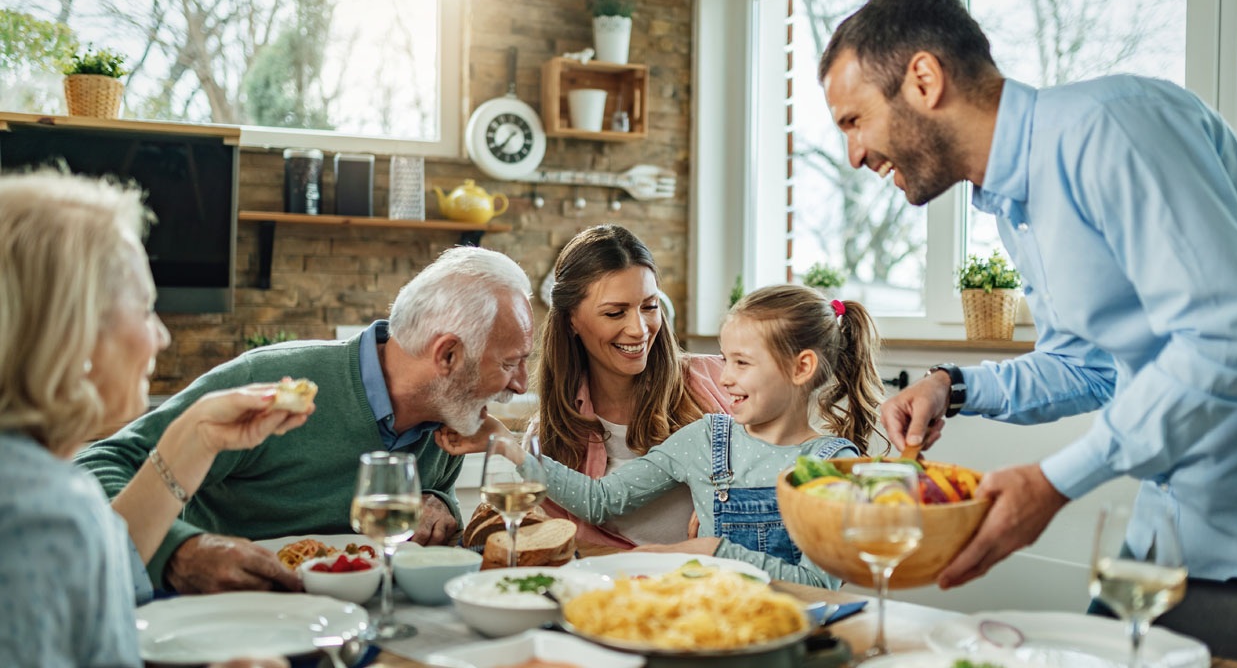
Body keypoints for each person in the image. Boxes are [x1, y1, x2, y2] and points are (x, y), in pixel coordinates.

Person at [819, 0, 1237, 591]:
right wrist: (951, 385)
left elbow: (1235, 341)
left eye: (855, 121)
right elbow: (1090, 368)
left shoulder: (1114, 127)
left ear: (924, 80)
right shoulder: (1016, 203)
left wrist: (1055, 481)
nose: (853, 155)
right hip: (1177, 528)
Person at [76, 245, 534, 594]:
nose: (520, 384)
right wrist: (178, 550)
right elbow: (96, 468)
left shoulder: (451, 416)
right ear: (448, 354)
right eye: (512, 362)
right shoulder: (271, 380)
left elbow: (431, 511)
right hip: (224, 621)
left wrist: (440, 505)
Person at [0, 172, 301, 667]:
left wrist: (197, 435)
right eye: (145, 309)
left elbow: (101, 570)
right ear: (73, 332)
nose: (160, 336)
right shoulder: (41, 516)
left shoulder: (35, 480)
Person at [440, 284, 883, 587]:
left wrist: (714, 550)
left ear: (801, 367)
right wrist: (509, 447)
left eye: (742, 363)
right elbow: (601, 500)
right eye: (725, 360)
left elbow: (819, 583)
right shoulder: (708, 438)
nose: (725, 379)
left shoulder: (831, 464)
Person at [528, 224, 731, 548]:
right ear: (571, 321)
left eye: (649, 306)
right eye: (614, 312)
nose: (639, 329)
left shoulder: (720, 381)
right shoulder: (550, 438)